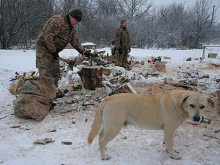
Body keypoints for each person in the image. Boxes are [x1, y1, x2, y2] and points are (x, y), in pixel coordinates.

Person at [35, 9, 90, 86]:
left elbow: (75, 42)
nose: (77, 23)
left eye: (78, 22)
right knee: (45, 73)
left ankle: (53, 92)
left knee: (56, 74)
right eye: (76, 21)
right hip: (44, 48)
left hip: (54, 51)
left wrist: (84, 52)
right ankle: (44, 95)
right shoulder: (57, 21)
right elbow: (48, 35)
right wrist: (53, 51)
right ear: (71, 17)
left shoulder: (72, 29)